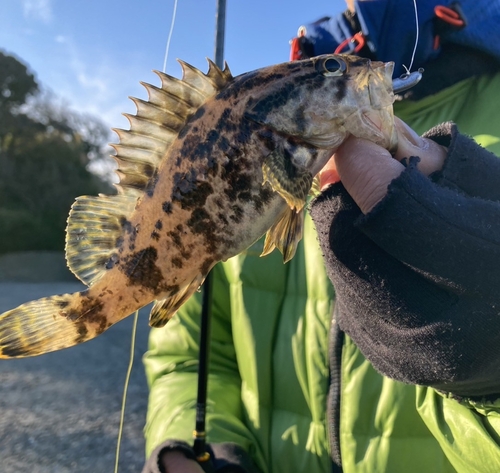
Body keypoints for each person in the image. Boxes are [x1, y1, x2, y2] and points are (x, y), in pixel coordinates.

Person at [141, 1, 500, 472]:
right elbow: (188, 351)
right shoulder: (266, 103)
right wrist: (186, 445)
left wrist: (490, 383)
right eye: (332, 70)